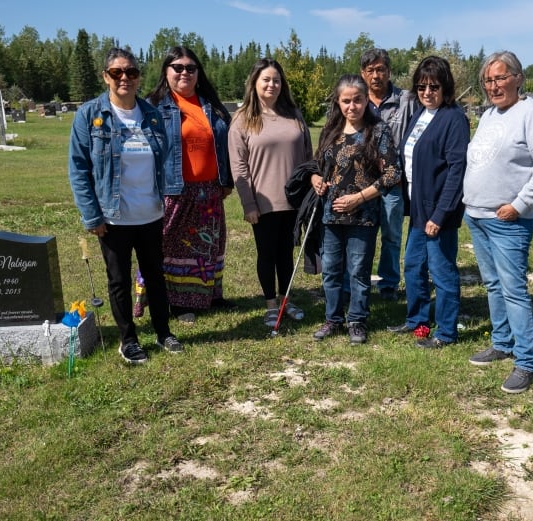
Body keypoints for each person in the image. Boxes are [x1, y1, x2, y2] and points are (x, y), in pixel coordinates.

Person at [68, 47, 182, 364]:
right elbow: (78, 169)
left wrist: (168, 197)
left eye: (130, 72)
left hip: (150, 214)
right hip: (113, 218)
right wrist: (92, 215)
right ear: (106, 76)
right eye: (117, 72)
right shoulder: (90, 116)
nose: (124, 78)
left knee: (155, 276)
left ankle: (163, 332)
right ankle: (128, 339)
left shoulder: (152, 115)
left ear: (138, 76)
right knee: (118, 280)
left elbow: (166, 160)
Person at [464, 50, 533, 393]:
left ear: (519, 78)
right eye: (488, 80)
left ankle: (526, 362)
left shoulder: (532, 114)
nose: (494, 85)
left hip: (508, 220)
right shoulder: (490, 115)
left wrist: (519, 205)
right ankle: (502, 342)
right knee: (492, 284)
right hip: (477, 215)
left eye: (501, 78)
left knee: (514, 290)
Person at [137, 46, 234, 316]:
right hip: (174, 191)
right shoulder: (154, 106)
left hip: (209, 192)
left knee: (209, 246)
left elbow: (223, 144)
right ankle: (178, 303)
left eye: (190, 68)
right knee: (171, 247)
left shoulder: (210, 105)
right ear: (166, 72)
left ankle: (209, 296)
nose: (184, 73)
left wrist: (225, 180)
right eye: (177, 67)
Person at [312, 74, 401, 344]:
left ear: (366, 101)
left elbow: (392, 173)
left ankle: (357, 320)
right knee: (330, 269)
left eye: (358, 100)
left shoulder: (378, 131)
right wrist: (315, 179)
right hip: (331, 213)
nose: (352, 106)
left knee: (359, 270)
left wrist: (360, 197)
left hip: (363, 214)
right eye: (346, 101)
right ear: (338, 102)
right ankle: (333, 319)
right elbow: (318, 165)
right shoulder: (331, 130)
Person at [387, 56, 469, 348]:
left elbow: (457, 170)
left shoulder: (454, 118)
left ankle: (446, 332)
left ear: (445, 87)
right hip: (419, 209)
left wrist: (441, 213)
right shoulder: (420, 114)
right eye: (421, 87)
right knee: (413, 266)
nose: (427, 92)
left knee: (442, 271)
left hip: (438, 212)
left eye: (434, 86)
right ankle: (417, 320)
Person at [228, 58, 313, 327]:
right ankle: (270, 304)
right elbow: (238, 165)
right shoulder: (243, 120)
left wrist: (310, 191)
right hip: (263, 202)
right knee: (267, 254)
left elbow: (308, 155)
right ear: (254, 83)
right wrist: (248, 203)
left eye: (276, 80)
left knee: (286, 253)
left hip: (294, 200)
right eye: (266, 79)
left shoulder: (294, 115)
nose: (271, 85)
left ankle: (286, 300)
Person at [359, 48, 416, 301]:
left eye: (380, 69)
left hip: (393, 181)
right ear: (363, 74)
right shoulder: (357, 100)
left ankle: (389, 283)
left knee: (392, 235)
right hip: (361, 183)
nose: (376, 75)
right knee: (362, 235)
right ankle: (358, 280)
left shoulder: (406, 100)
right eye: (370, 70)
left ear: (389, 72)